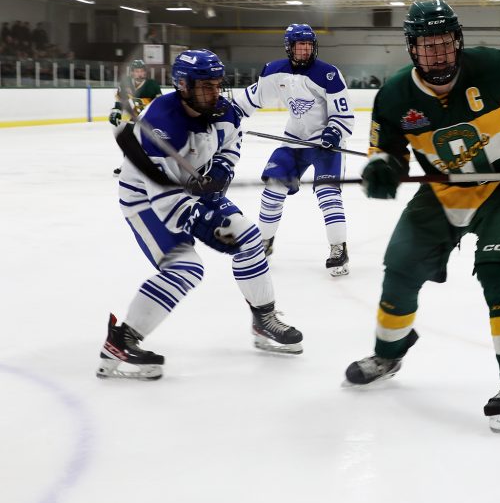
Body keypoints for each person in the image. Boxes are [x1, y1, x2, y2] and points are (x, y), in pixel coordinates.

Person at [344, 0, 500, 433]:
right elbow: (385, 149)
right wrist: (383, 167)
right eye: (428, 46)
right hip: (443, 189)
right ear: (411, 49)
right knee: (400, 267)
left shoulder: (496, 67)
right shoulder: (395, 95)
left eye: (444, 44)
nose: (437, 54)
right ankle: (390, 350)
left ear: (457, 42)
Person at [100, 49, 302, 381]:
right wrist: (202, 219)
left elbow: (231, 144)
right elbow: (165, 199)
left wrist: (221, 171)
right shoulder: (161, 125)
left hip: (194, 187)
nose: (214, 93)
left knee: (249, 239)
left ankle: (263, 320)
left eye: (217, 85)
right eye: (204, 86)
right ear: (182, 85)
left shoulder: (223, 110)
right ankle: (120, 342)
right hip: (146, 201)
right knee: (185, 268)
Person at [232, 24, 355, 276]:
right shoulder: (274, 71)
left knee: (328, 194)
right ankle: (265, 242)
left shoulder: (329, 74)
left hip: (325, 145)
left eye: (309, 45)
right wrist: (228, 115)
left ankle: (338, 248)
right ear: (290, 48)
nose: (305, 50)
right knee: (273, 188)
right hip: (293, 141)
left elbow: (343, 114)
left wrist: (334, 131)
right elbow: (249, 100)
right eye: (300, 46)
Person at [109, 59, 162, 176]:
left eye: (142, 71)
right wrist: (117, 110)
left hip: (148, 119)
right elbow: (120, 100)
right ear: (132, 72)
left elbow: (159, 104)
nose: (139, 74)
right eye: (137, 71)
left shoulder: (152, 85)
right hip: (132, 119)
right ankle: (128, 166)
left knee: (148, 145)